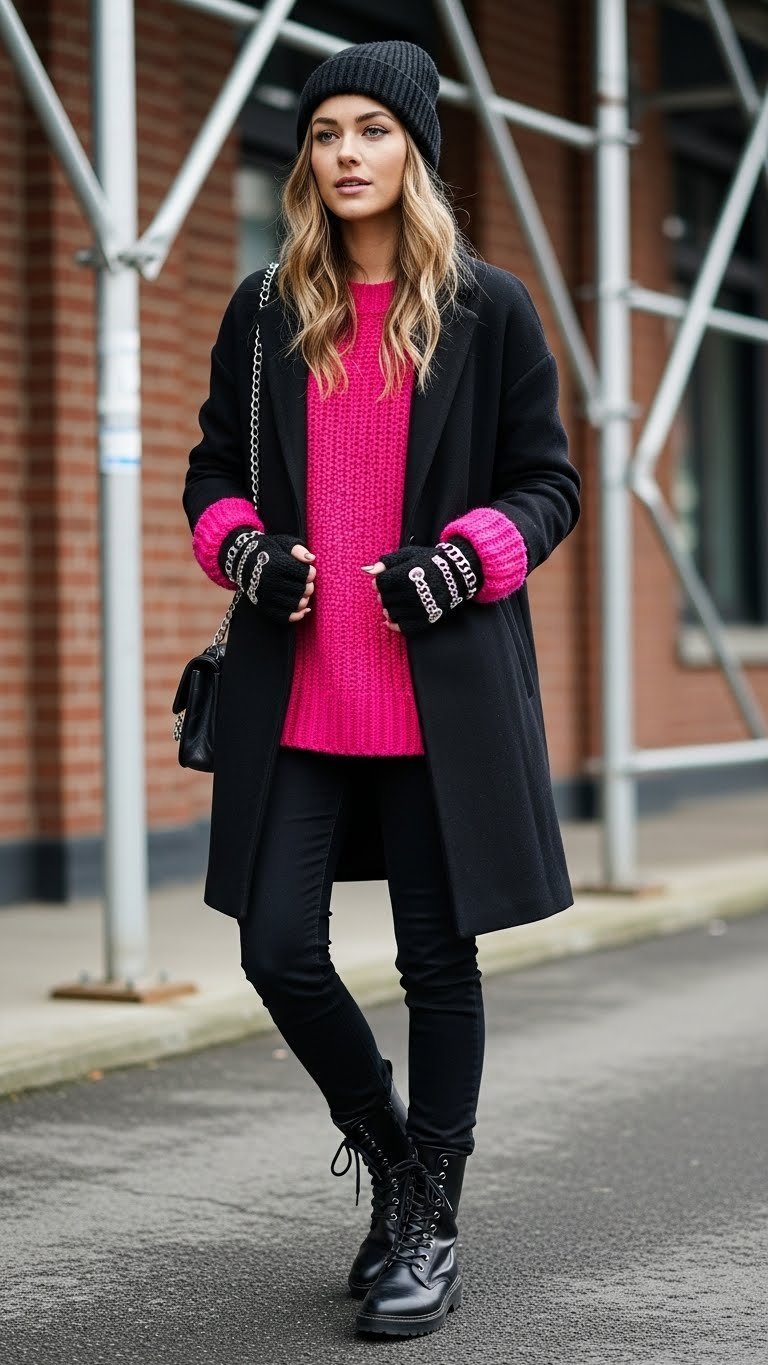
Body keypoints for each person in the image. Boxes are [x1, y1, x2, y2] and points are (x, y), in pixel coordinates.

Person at [182, 39, 580, 1339]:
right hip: (296, 688)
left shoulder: (491, 309)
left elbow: (549, 486)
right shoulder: (263, 311)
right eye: (325, 133)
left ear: (416, 150)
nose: (345, 153)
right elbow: (209, 480)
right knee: (275, 945)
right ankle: (403, 1161)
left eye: (373, 130)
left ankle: (427, 1223)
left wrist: (464, 560)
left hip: (435, 692)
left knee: (434, 957)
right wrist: (244, 546)